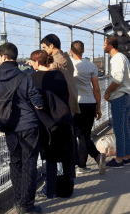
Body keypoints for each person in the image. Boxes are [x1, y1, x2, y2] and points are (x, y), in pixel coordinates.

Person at [0, 43, 44, 213]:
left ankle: (18, 201)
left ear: (3, 57)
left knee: (15, 163)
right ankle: (27, 206)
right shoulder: (25, 77)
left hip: (8, 126)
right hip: (29, 126)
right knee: (29, 164)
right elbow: (38, 103)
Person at [28, 50, 75, 199]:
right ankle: (67, 188)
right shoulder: (59, 75)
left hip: (46, 124)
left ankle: (50, 190)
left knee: (50, 158)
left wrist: (32, 70)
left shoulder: (33, 78)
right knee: (66, 154)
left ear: (36, 62)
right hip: (63, 120)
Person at [70, 40, 106, 175]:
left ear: (71, 51)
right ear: (83, 51)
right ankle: (97, 156)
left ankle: (82, 165)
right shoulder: (91, 65)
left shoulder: (69, 65)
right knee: (84, 134)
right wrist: (98, 107)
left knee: (79, 135)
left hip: (75, 104)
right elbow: (96, 88)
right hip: (90, 103)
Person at [103, 37, 130, 168]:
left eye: (104, 44)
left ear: (110, 45)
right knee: (125, 128)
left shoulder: (116, 58)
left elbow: (118, 79)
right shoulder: (123, 57)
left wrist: (107, 92)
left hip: (119, 96)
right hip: (125, 96)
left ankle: (119, 159)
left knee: (119, 129)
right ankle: (127, 156)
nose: (103, 46)